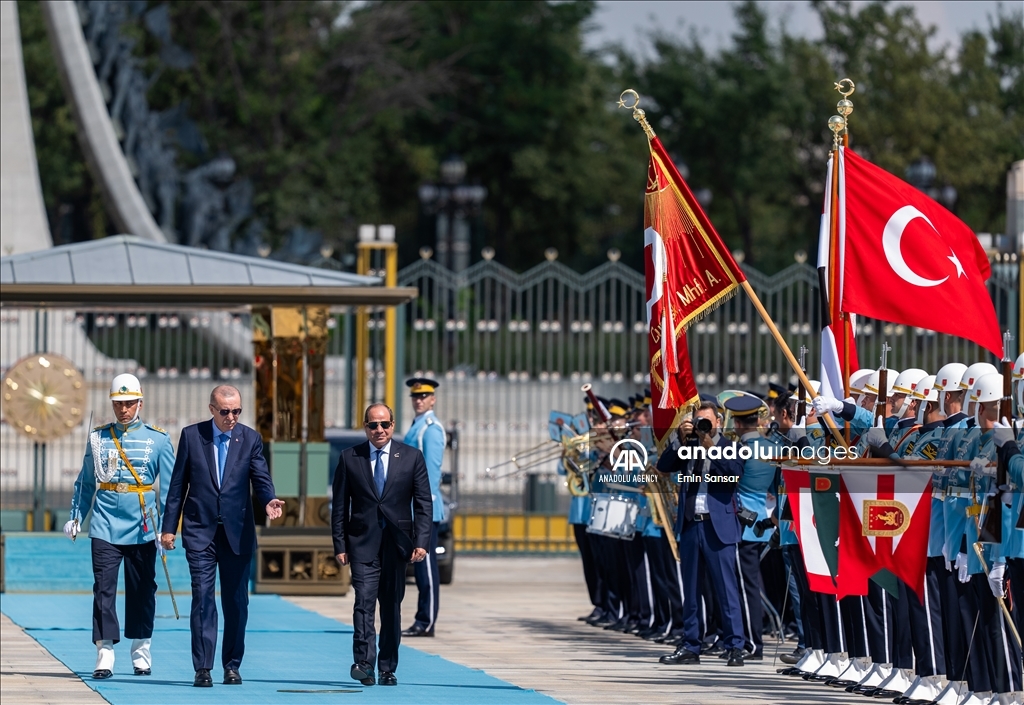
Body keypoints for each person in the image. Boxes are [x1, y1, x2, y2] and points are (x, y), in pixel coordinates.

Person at [159, 385, 285, 688]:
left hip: (237, 533)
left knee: (236, 602)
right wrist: (168, 527)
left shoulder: (250, 439)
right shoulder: (192, 436)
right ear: (212, 409)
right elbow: (178, 486)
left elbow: (261, 477)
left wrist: (269, 499)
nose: (232, 417)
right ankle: (202, 667)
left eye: (237, 411)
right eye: (226, 411)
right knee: (202, 598)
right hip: (199, 531)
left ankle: (231, 664)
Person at [66, 373, 175, 679]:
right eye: (118, 404)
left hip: (142, 522)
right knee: (103, 588)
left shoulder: (159, 439)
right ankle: (104, 651)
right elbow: (86, 481)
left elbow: (169, 489)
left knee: (143, 589)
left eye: (129, 403)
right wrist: (76, 516)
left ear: (140, 403)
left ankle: (141, 648)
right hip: (104, 521)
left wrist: (167, 527)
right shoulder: (98, 438)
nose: (123, 409)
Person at [333, 403, 432, 687]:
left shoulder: (412, 457)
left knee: (391, 607)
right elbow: (339, 506)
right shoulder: (349, 458)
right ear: (365, 427)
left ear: (392, 425)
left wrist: (421, 541)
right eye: (373, 425)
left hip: (398, 545)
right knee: (363, 603)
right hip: (362, 543)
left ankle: (387, 667)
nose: (379, 430)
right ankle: (364, 663)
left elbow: (423, 503)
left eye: (385, 425)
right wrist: (340, 544)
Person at [656, 400, 746, 667]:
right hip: (691, 523)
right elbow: (664, 465)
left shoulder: (731, 447)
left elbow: (735, 474)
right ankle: (691, 645)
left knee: (726, 589)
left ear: (719, 422)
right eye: (699, 423)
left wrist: (713, 448)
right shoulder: (688, 446)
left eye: (707, 422)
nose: (703, 427)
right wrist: (678, 438)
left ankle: (735, 646)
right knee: (691, 589)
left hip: (718, 525)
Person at [401, 378, 446, 638]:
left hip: (423, 508)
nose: (419, 399)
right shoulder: (418, 426)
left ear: (433, 399)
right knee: (419, 568)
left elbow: (429, 472)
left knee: (426, 567)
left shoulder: (430, 428)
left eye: (424, 395)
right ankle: (421, 618)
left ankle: (426, 621)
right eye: (416, 396)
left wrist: (421, 509)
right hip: (412, 507)